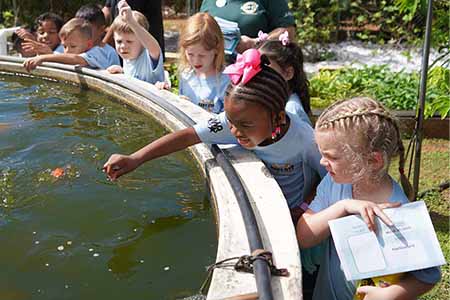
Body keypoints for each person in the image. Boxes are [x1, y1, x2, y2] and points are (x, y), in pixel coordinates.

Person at [104, 48, 325, 221]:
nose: (235, 131)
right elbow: (188, 135)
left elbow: (329, 180)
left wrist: (304, 208)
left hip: (291, 216)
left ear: (277, 118)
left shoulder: (305, 140)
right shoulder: (232, 124)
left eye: (245, 124)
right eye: (230, 121)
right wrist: (135, 158)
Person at [297, 97, 441, 300]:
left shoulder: (400, 212)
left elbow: (429, 276)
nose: (322, 162)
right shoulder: (334, 184)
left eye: (332, 157)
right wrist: (343, 206)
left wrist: (392, 295)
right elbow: (304, 237)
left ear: (373, 160)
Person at [157, 12, 229, 114]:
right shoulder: (186, 74)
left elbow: (228, 123)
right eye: (190, 54)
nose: (196, 61)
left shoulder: (225, 81)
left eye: (202, 55)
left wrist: (195, 110)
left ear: (216, 49)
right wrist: (170, 95)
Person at [200, 0, 296, 53]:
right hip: (215, 73)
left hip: (256, 73)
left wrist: (255, 43)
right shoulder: (208, 1)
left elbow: (288, 31)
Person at [258, 31, 311, 125]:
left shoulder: (291, 110)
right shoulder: (276, 102)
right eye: (256, 67)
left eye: (266, 69)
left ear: (288, 73)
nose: (258, 74)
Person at [106, 0, 164, 84]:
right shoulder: (128, 58)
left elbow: (154, 48)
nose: (123, 46)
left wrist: (131, 22)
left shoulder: (148, 58)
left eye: (129, 41)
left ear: (143, 42)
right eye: (119, 41)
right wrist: (123, 72)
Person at [23, 18, 111, 71]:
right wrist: (45, 53)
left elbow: (75, 59)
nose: (67, 51)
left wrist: (42, 58)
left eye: (73, 46)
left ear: (88, 44)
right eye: (64, 46)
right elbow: (62, 58)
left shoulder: (97, 52)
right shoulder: (70, 53)